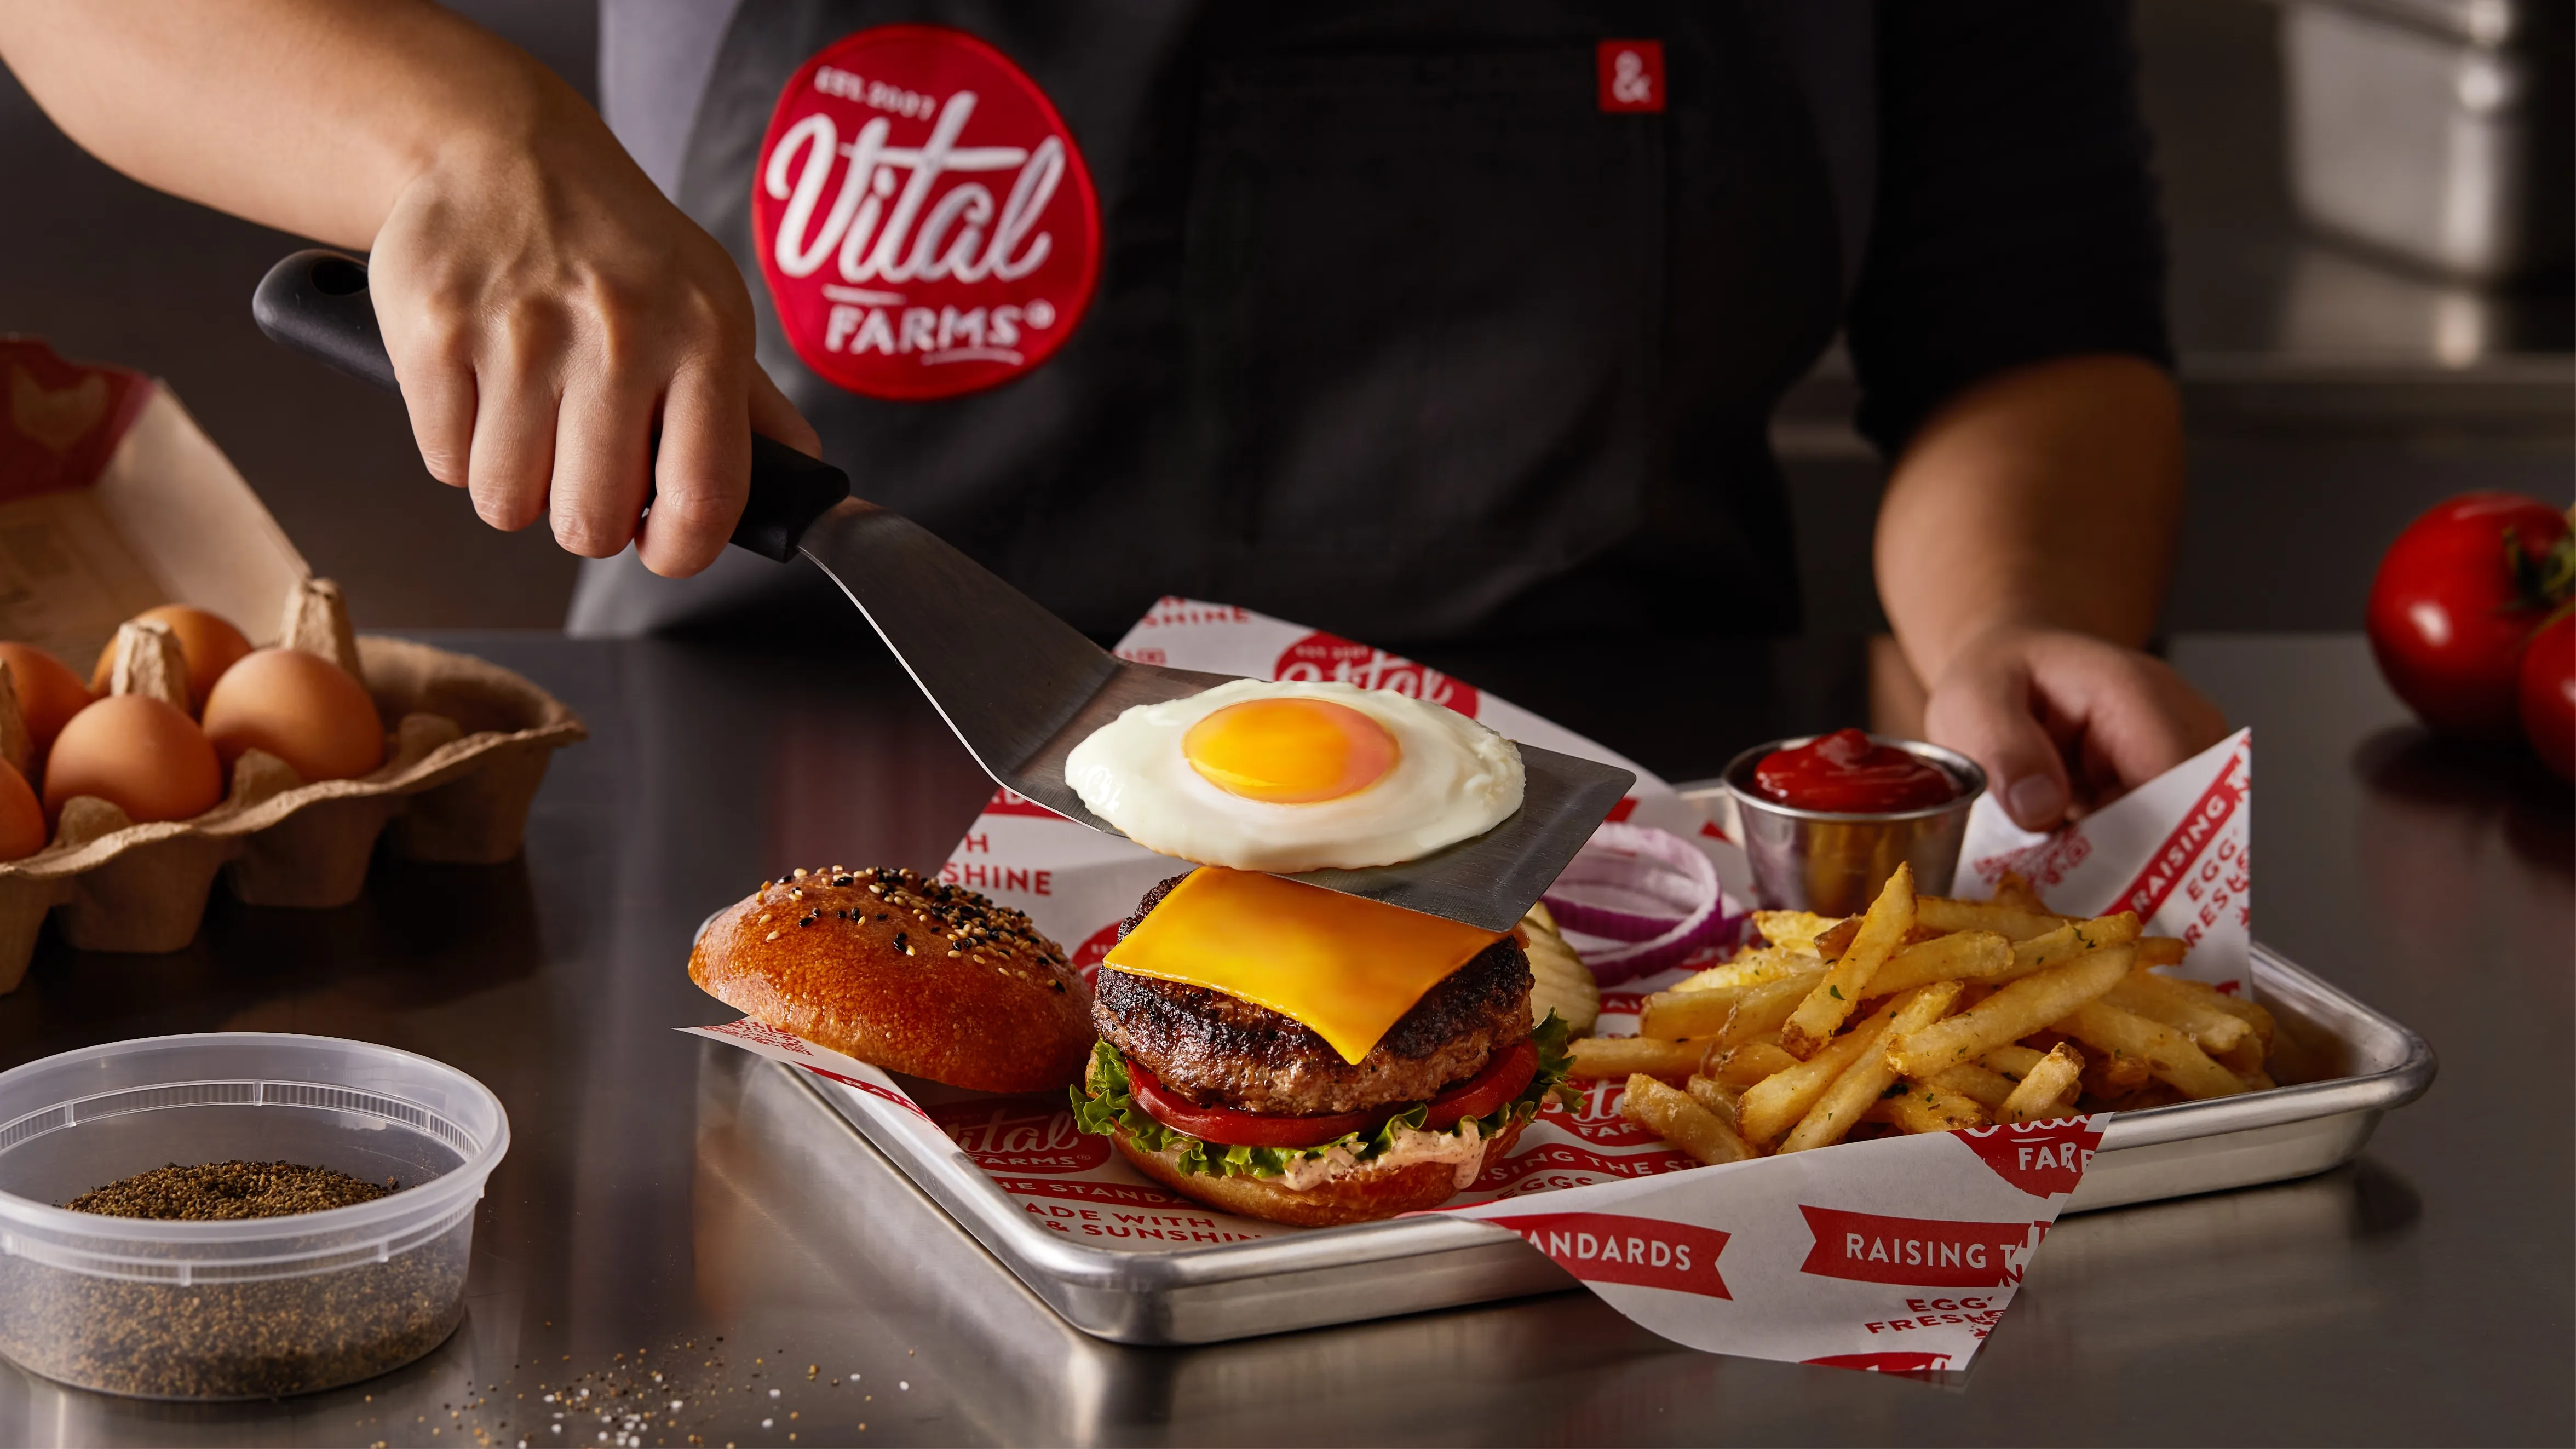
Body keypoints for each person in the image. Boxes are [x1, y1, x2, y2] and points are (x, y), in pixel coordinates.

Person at [0, 0, 2224, 830]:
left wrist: (2008, 619)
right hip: (777, 805)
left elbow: (2027, 307)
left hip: (1613, 864)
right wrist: (463, 139)